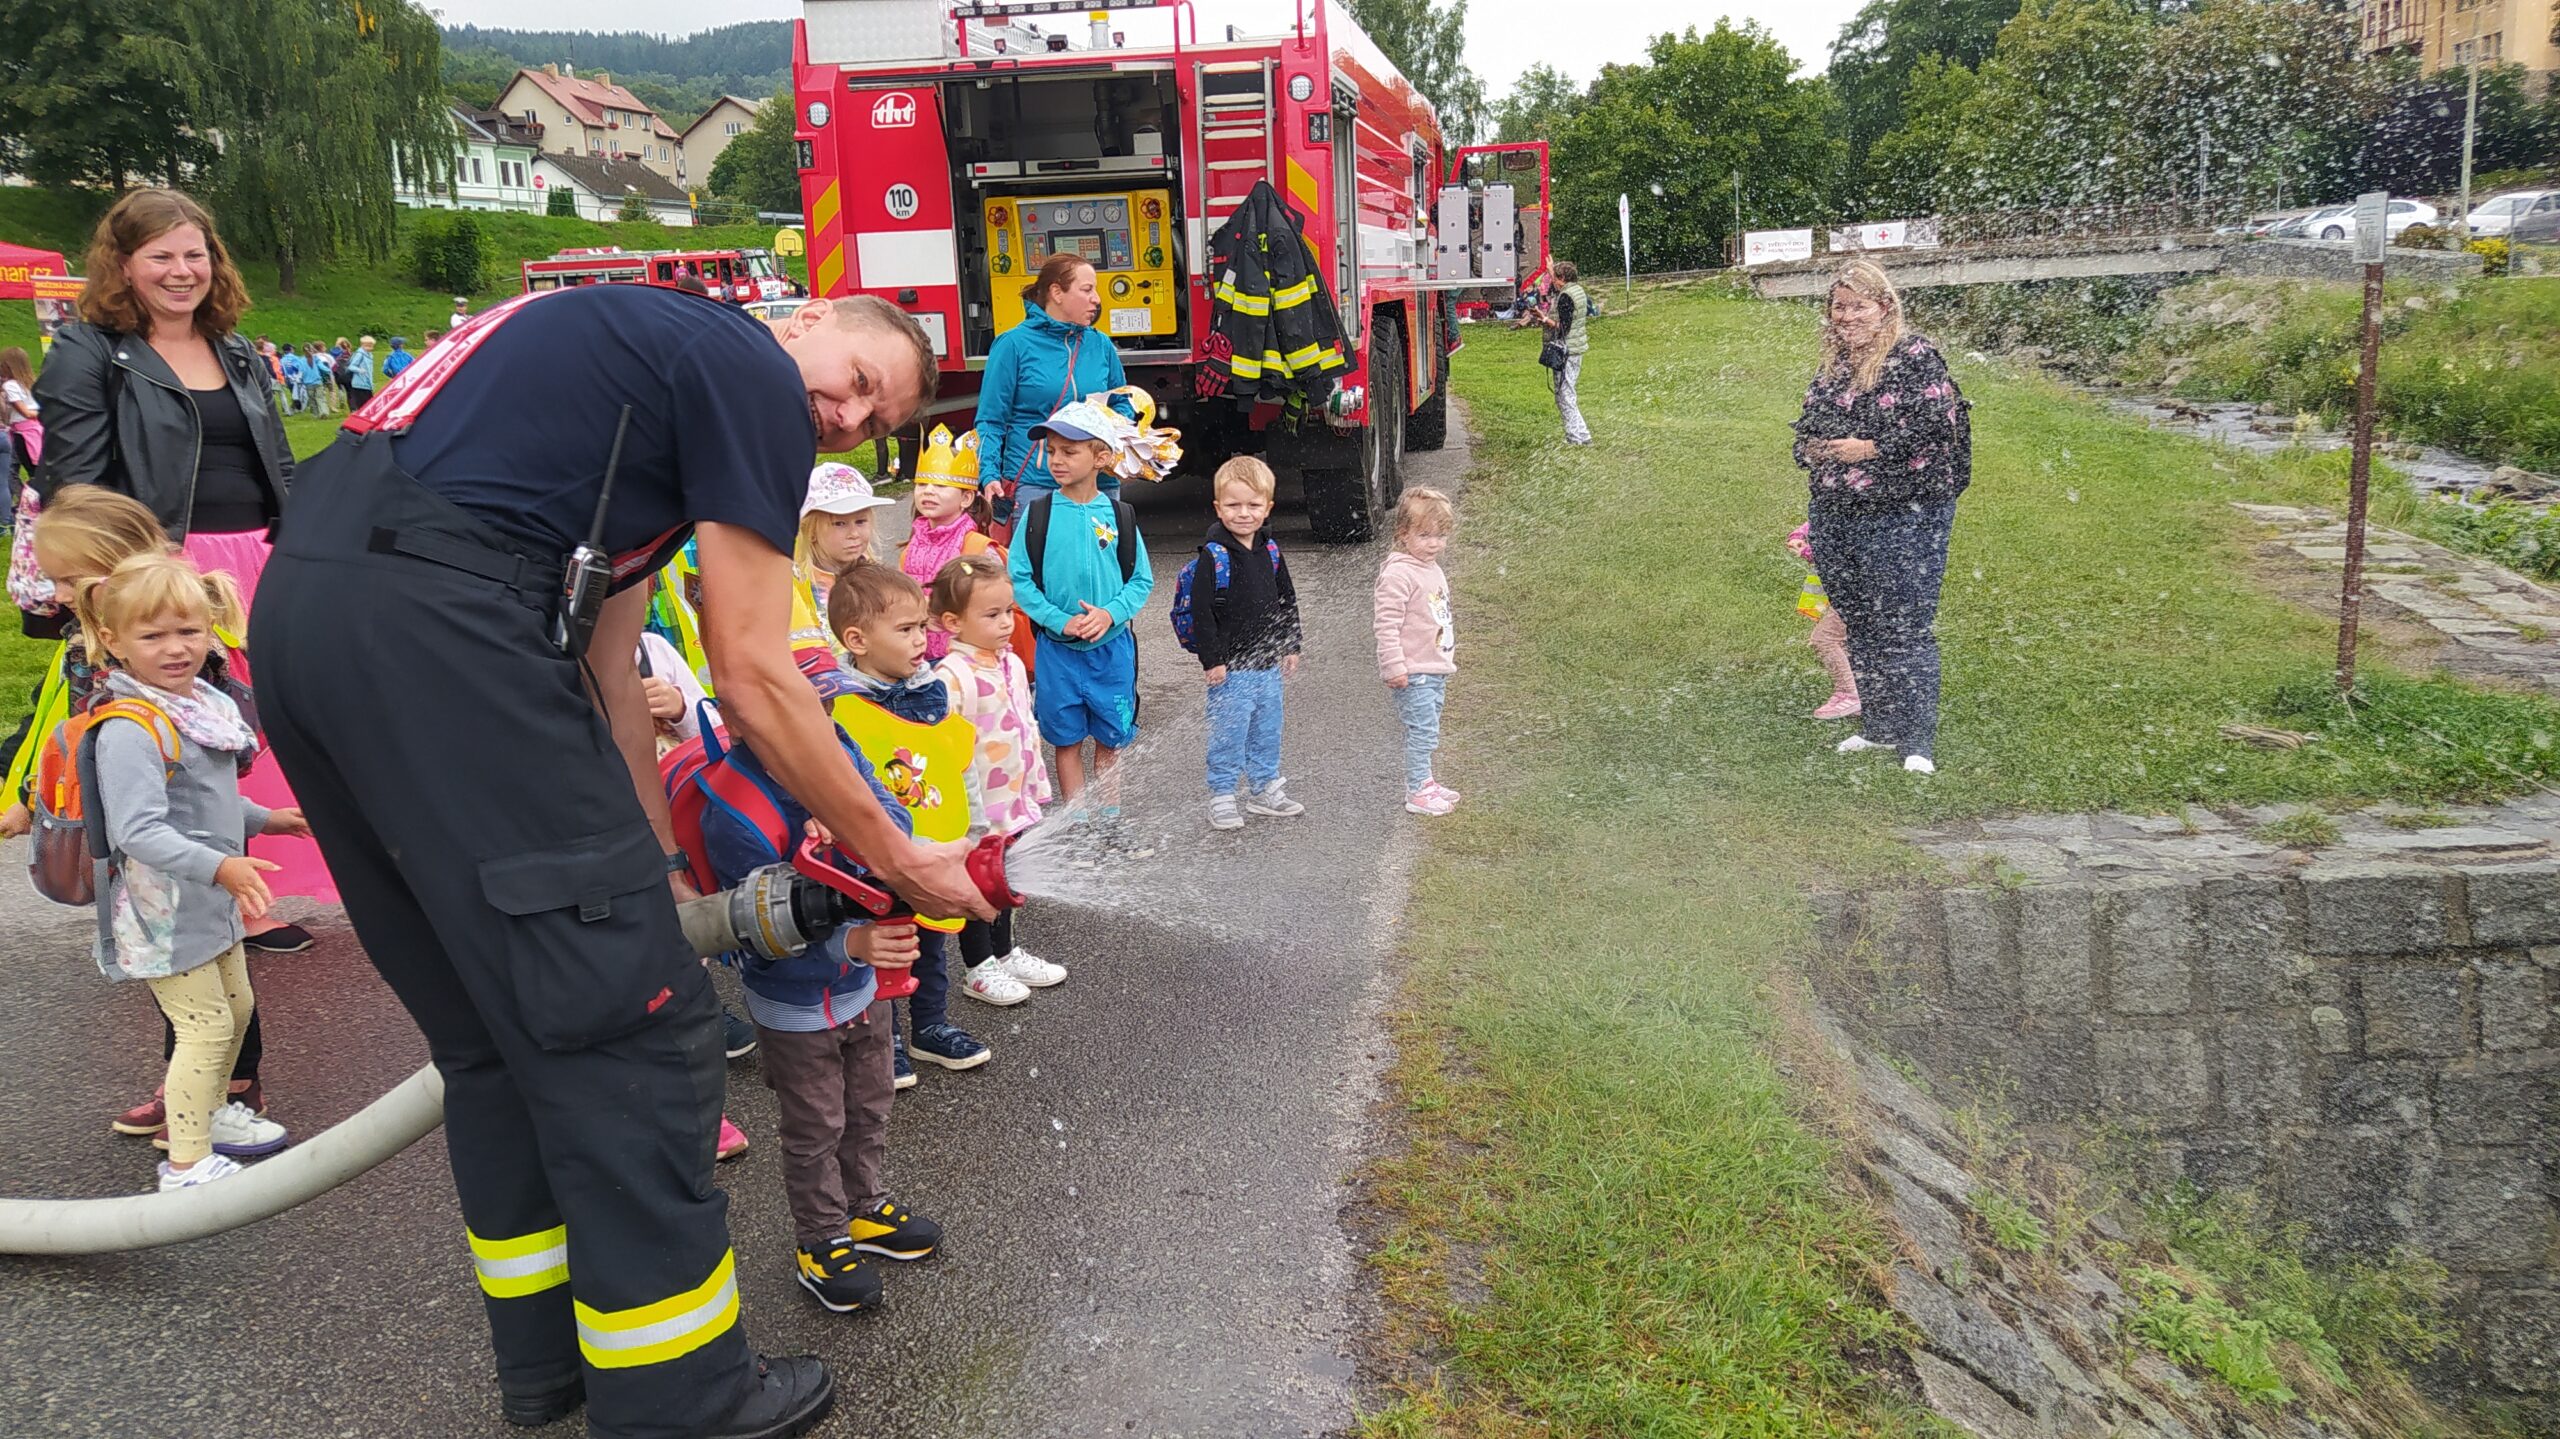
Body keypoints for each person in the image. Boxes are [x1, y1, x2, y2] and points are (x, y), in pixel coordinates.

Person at [249, 279, 978, 1439]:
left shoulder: (626, 373)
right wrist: (894, 849)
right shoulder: (745, 364)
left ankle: (552, 1361)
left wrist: (654, 870)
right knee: (632, 1029)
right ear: (802, 321)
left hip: (313, 619)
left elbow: (607, 664)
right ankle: (680, 1395)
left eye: (873, 422)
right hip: (444, 627)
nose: (845, 418)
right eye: (857, 381)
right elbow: (752, 670)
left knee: (497, 1035)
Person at [30, 186, 327, 950]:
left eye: (195, 254)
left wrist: (303, 538)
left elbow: (277, 459)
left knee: (260, 731)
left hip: (255, 562)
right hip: (161, 570)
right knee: (190, 742)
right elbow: (73, 482)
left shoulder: (234, 347)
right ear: (123, 264)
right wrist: (111, 577)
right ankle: (228, 905)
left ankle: (260, 877)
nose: (181, 270)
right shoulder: (89, 350)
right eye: (160, 256)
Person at [2, 485, 292, 1141]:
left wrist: (258, 820)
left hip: (196, 850)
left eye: (69, 578)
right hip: (168, 865)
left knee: (220, 999)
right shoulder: (101, 660)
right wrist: (24, 791)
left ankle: (216, 1095)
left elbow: (203, 770)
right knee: (200, 1002)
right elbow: (56, 722)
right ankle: (195, 1113)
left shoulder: (165, 662)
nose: (58, 594)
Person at [73, 552, 307, 1190]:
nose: (175, 648)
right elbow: (139, 830)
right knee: (204, 1027)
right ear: (113, 640)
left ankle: (212, 1116)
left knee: (236, 1011)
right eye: (153, 636)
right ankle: (186, 1161)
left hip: (208, 902)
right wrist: (222, 865)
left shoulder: (198, 704)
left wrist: (267, 819)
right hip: (167, 912)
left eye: (189, 631)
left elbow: (205, 801)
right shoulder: (131, 728)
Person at [1791, 258, 1971, 776]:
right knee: (1862, 623)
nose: (1847, 317)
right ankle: (1879, 728)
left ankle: (1918, 743)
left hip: (1906, 513)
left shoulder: (1914, 356)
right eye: (1838, 307)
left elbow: (1937, 427)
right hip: (1836, 512)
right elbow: (1803, 437)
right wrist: (1815, 448)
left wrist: (1868, 448)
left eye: (1858, 306)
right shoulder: (1832, 369)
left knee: (1905, 625)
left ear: (1885, 307)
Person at [826, 565, 992, 1079]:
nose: (922, 639)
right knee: (884, 950)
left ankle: (930, 1028)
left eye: (922, 626)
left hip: (937, 850)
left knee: (931, 948)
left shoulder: (932, 692)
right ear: (857, 640)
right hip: (875, 863)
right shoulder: (839, 707)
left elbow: (959, 763)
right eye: (905, 629)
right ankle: (885, 1040)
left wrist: (976, 832)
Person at [1006, 399, 1152, 805]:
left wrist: (1110, 614)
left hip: (1112, 651)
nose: (1056, 460)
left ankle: (1109, 818)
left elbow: (1141, 580)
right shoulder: (1038, 514)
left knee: (1111, 740)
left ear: (1100, 457)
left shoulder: (1120, 516)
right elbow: (1019, 579)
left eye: (1069, 451)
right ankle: (1076, 820)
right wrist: (1058, 620)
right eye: (1051, 451)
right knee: (1066, 740)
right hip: (1058, 653)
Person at [930, 554, 1060, 1008]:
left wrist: (1035, 785)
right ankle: (979, 966)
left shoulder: (1010, 664)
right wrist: (964, 817)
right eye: (992, 615)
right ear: (953, 622)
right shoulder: (952, 677)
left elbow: (1025, 726)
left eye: (1009, 611)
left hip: (1013, 801)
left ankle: (1005, 953)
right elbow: (945, 751)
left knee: (1005, 880)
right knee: (977, 885)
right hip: (978, 811)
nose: (1006, 623)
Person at [1188, 455, 1303, 831]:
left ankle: (1264, 789)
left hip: (1267, 668)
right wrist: (1212, 660)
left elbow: (1286, 599)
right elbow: (1202, 613)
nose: (1243, 513)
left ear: (1267, 507)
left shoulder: (1270, 551)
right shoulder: (1214, 556)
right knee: (1229, 733)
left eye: (1253, 505)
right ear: (1218, 507)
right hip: (1231, 672)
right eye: (1233, 505)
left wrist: (1290, 644)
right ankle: (1222, 795)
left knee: (1267, 730)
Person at [974, 254, 1127, 528]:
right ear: (1056, 292)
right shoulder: (1012, 345)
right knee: (1037, 556)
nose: (1096, 299)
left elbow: (1122, 403)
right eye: (1087, 289)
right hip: (1037, 485)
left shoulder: (1102, 345)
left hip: (1099, 483)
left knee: (1103, 556)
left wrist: (1128, 438)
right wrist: (989, 474)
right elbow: (991, 420)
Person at [1374, 487, 1459, 816]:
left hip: (1434, 668)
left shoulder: (1431, 568)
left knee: (1430, 728)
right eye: (1424, 536)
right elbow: (1386, 624)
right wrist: (1394, 665)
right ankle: (1417, 790)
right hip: (1413, 671)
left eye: (1440, 536)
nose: (1434, 544)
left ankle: (1426, 780)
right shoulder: (1398, 574)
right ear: (1403, 533)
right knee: (1422, 731)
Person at [898, 425, 995, 665]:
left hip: (965, 660)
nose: (928, 491)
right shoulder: (911, 548)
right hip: (917, 659)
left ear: (966, 498)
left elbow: (995, 606)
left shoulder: (978, 548)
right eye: (922, 484)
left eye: (941, 486)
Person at [1788, 521, 1859, 720]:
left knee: (1824, 639)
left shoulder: (1857, 514)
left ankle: (1849, 694)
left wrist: (1809, 552)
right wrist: (1799, 535)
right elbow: (1819, 519)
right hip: (1846, 588)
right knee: (1844, 640)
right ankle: (1861, 692)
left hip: (1858, 590)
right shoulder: (1836, 507)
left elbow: (1844, 554)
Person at [1542, 261, 1593, 446]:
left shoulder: (1565, 297)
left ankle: (1575, 438)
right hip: (1577, 348)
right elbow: (1560, 291)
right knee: (1567, 392)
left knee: (1564, 396)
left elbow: (1563, 327)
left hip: (1567, 351)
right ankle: (1583, 434)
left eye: (1555, 278)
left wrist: (1544, 319)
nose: (1553, 282)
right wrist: (1551, 270)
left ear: (1562, 278)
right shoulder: (1577, 290)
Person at [2, 346, 43, 487]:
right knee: (36, 470)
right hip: (36, 430)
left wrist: (38, 414)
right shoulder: (32, 383)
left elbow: (25, 412)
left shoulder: (10, 385)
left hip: (23, 433)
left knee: (22, 470)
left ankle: (28, 496)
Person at [347, 334, 378, 412]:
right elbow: (351, 366)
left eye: (371, 346)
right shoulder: (359, 354)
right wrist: (359, 370)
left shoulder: (370, 355)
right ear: (362, 345)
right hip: (359, 384)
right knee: (362, 405)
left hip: (367, 384)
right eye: (368, 346)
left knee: (370, 404)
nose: (370, 348)